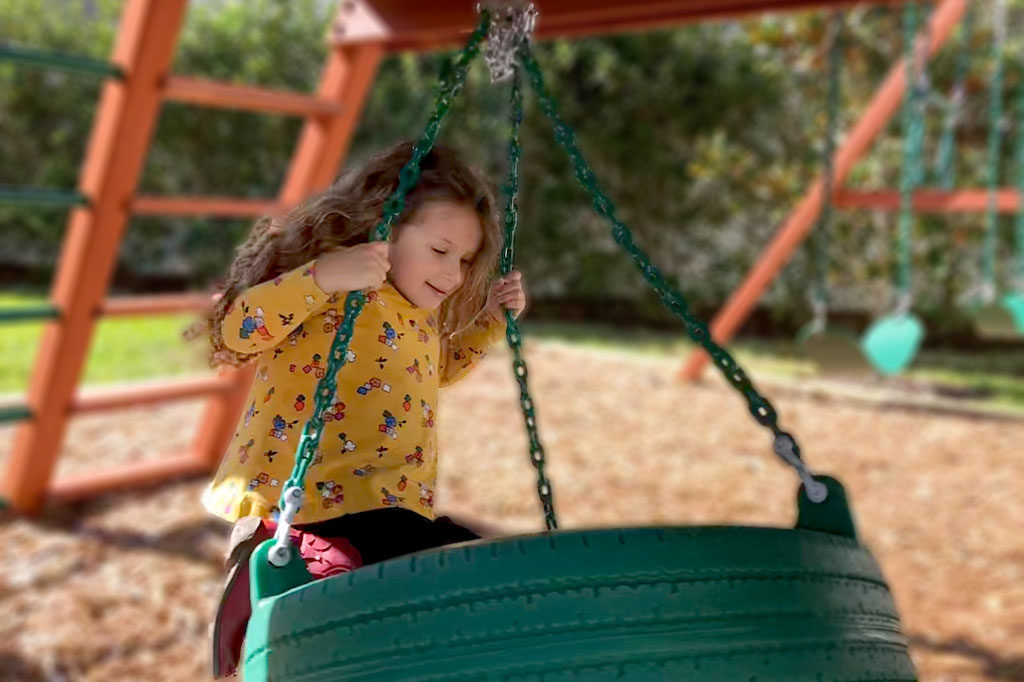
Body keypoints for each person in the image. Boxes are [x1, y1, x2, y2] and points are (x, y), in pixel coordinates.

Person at [195, 141, 526, 677]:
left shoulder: (415, 315)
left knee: (467, 562)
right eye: (441, 251)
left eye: (465, 260)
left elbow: (436, 372)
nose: (456, 274)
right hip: (302, 501)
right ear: (383, 227)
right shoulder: (332, 288)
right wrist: (326, 275)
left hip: (383, 502)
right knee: (361, 594)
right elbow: (241, 328)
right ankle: (267, 586)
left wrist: (489, 318)